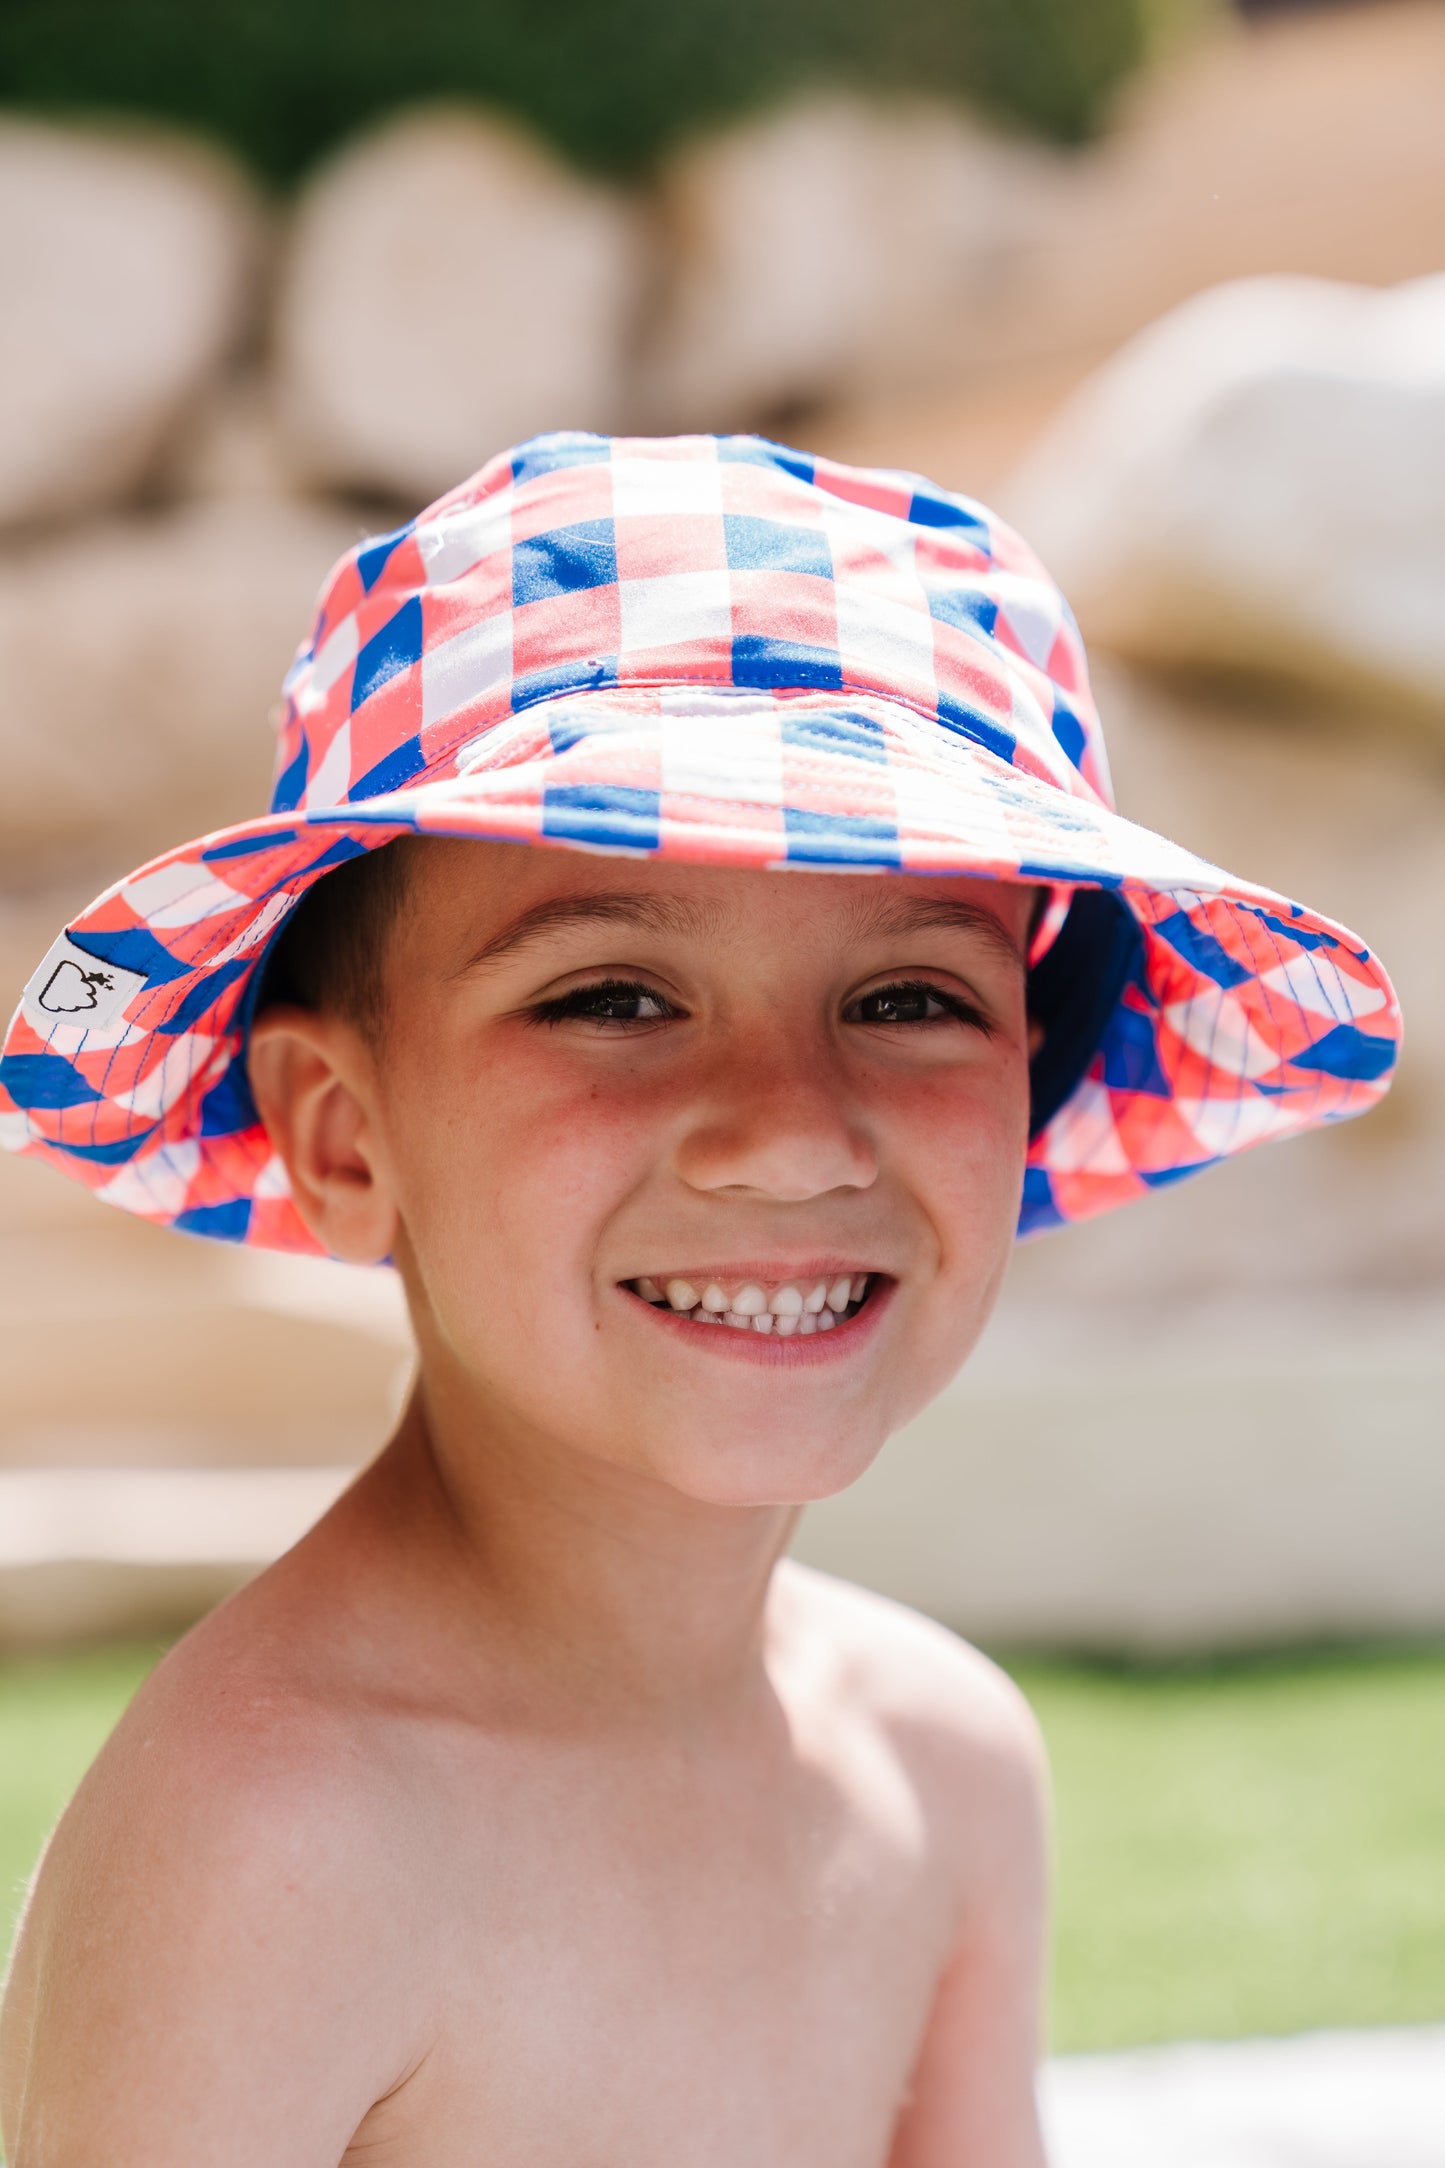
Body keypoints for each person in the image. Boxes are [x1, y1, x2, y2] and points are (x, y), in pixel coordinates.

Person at [0, 434, 1398, 2165]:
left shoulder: (943, 1767)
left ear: (1032, 1089)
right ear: (344, 1136)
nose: (789, 1135)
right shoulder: (281, 1833)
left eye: (905, 1001)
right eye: (611, 996)